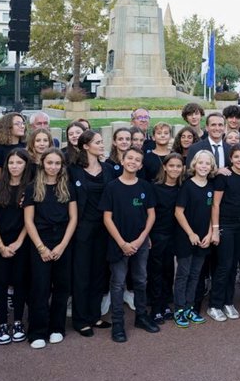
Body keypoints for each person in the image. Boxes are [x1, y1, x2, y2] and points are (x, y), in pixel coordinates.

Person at [100, 147, 158, 342]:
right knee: (117, 283)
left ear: (141, 165)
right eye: (129, 158)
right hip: (118, 243)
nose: (133, 162)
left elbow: (151, 214)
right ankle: (118, 323)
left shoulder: (145, 187)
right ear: (123, 161)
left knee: (141, 279)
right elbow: (107, 218)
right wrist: (122, 243)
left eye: (137, 160)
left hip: (140, 242)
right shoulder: (112, 187)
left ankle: (141, 316)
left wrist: (142, 238)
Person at [23, 149, 77, 349]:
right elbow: (28, 220)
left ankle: (57, 328)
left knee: (62, 287)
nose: (53, 167)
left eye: (57, 163)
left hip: (63, 241)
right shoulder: (32, 188)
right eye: (50, 162)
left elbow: (73, 218)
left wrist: (62, 245)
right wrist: (41, 248)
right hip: (40, 241)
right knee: (40, 287)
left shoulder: (68, 187)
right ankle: (37, 331)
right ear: (43, 164)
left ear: (62, 166)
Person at [68, 130, 117, 337]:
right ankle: (80, 319)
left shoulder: (108, 169)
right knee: (81, 274)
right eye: (97, 142)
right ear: (86, 146)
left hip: (104, 228)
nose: (102, 144)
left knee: (99, 273)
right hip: (82, 228)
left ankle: (95, 315)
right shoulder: (73, 170)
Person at [0, 148, 32, 345]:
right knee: (1, 282)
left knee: (21, 281)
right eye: (11, 163)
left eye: (19, 163)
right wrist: (0, 245)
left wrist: (18, 242)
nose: (15, 166)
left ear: (25, 165)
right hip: (0, 242)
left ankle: (18, 322)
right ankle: (2, 324)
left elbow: (29, 220)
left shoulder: (30, 189)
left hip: (21, 242)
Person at [209, 144, 240, 321]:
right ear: (231, 158)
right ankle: (214, 304)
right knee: (224, 266)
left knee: (233, 266)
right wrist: (216, 229)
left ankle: (228, 301)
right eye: (237, 156)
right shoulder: (224, 176)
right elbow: (216, 204)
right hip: (225, 226)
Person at [173, 150, 216, 327]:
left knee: (195, 274)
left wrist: (209, 233)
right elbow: (178, 212)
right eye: (201, 163)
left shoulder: (210, 188)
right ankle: (179, 309)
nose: (204, 166)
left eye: (207, 163)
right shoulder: (187, 186)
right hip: (186, 238)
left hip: (203, 239)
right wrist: (190, 233)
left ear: (211, 167)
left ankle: (190, 307)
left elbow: (210, 212)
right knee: (183, 274)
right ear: (194, 165)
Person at [148, 154, 184, 324]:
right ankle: (156, 307)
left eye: (178, 166)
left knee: (169, 270)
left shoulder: (182, 188)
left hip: (174, 235)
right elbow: (148, 215)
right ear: (165, 167)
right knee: (156, 271)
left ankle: (166, 304)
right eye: (172, 166)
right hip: (157, 234)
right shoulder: (154, 188)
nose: (175, 169)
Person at [0, 113, 27, 184]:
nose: (22, 126)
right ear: (7, 127)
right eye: (17, 124)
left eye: (23, 123)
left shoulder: (25, 146)